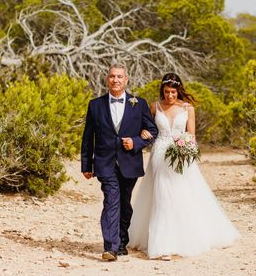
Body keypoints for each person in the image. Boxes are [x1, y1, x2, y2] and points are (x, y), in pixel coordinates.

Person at [128, 73, 240, 259]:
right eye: (166, 92)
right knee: (162, 197)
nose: (170, 96)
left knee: (182, 195)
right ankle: (163, 244)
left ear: (178, 90)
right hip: (159, 154)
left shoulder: (188, 108)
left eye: (173, 92)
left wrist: (186, 149)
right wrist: (144, 133)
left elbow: (191, 135)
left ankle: (184, 237)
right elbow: (147, 128)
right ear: (162, 91)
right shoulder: (155, 106)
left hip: (181, 156)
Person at [81, 64, 158, 261]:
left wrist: (136, 142)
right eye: (112, 76)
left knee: (124, 203)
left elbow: (153, 131)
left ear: (126, 80)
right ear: (107, 79)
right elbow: (88, 137)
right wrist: (86, 165)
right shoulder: (95, 105)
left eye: (119, 77)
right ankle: (110, 247)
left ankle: (122, 241)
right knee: (111, 201)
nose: (116, 80)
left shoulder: (139, 104)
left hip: (129, 162)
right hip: (104, 163)